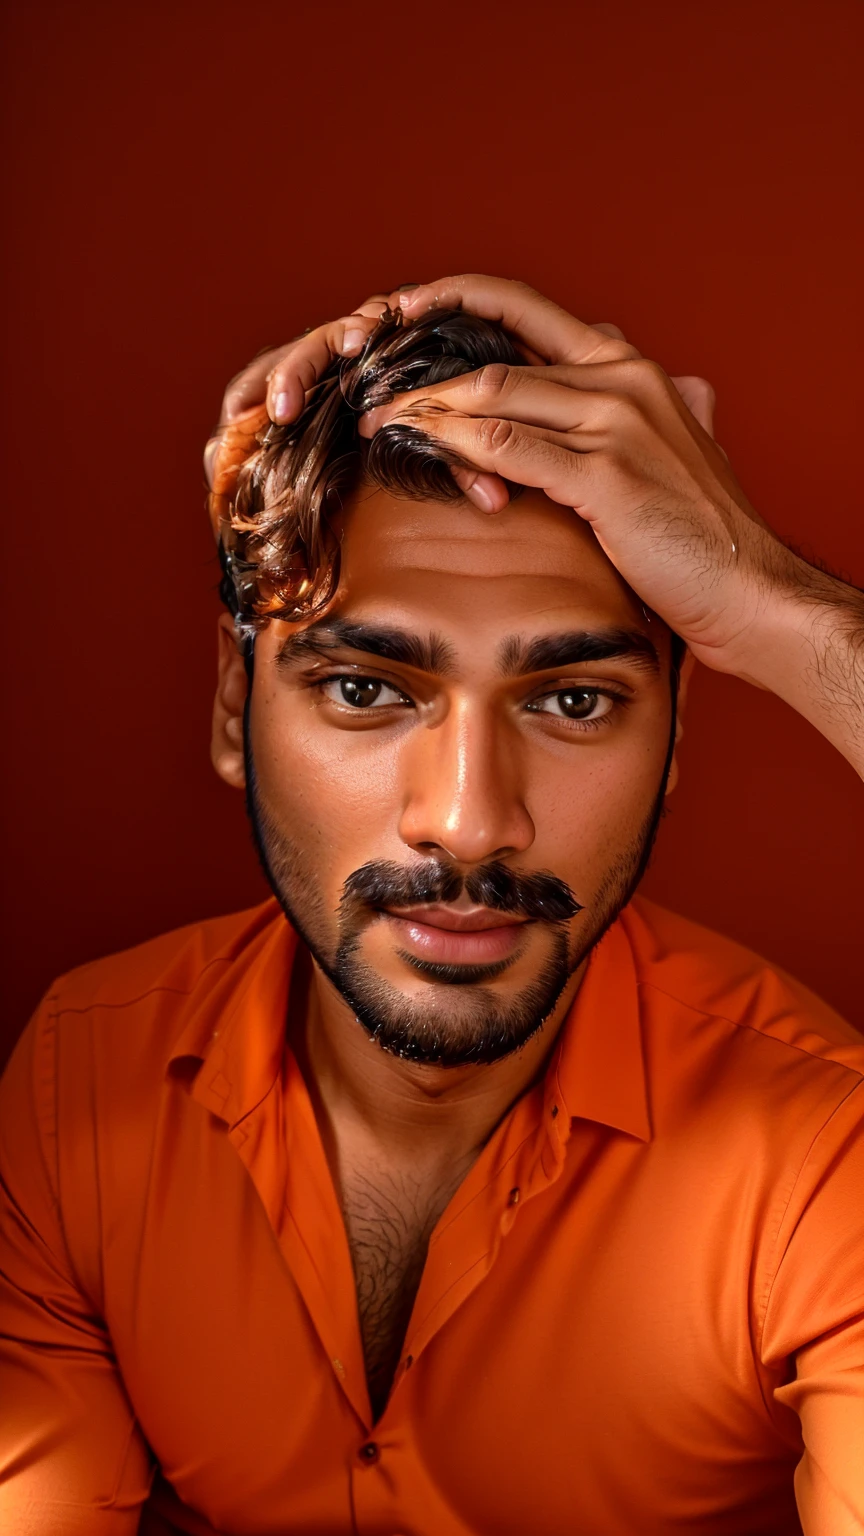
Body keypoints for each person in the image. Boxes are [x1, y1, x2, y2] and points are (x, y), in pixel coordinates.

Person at [0, 275, 861, 1536]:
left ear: (674, 746)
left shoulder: (823, 1155)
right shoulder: (85, 1085)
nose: (466, 820)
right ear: (239, 712)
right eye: (366, 690)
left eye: (572, 701)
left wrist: (785, 612)